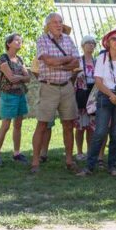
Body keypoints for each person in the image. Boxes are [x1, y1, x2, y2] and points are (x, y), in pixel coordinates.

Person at [78, 27, 116, 176]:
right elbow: (98, 81)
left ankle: (112, 166)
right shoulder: (102, 58)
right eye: (114, 39)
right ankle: (89, 166)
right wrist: (112, 96)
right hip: (105, 96)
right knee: (100, 132)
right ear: (108, 42)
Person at [30, 12, 79, 174]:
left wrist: (58, 64)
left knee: (69, 124)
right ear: (48, 26)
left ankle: (69, 161)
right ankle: (35, 161)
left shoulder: (68, 39)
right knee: (42, 124)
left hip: (67, 87)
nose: (58, 25)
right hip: (48, 87)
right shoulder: (42, 40)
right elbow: (48, 61)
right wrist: (66, 60)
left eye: (60, 21)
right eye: (55, 22)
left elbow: (76, 62)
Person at [0, 33, 32, 166]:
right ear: (8, 43)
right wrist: (21, 77)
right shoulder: (3, 58)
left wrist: (20, 77)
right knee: (6, 125)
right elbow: (11, 78)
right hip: (8, 95)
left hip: (21, 94)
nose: (20, 42)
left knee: (18, 124)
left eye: (21, 40)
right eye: (16, 40)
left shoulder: (19, 59)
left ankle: (16, 153)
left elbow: (28, 78)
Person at [74, 35, 97, 161]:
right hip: (81, 95)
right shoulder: (77, 61)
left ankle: (90, 151)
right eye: (88, 43)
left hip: (93, 96)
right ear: (82, 46)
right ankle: (79, 151)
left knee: (91, 126)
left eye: (93, 43)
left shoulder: (97, 61)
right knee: (80, 127)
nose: (91, 45)